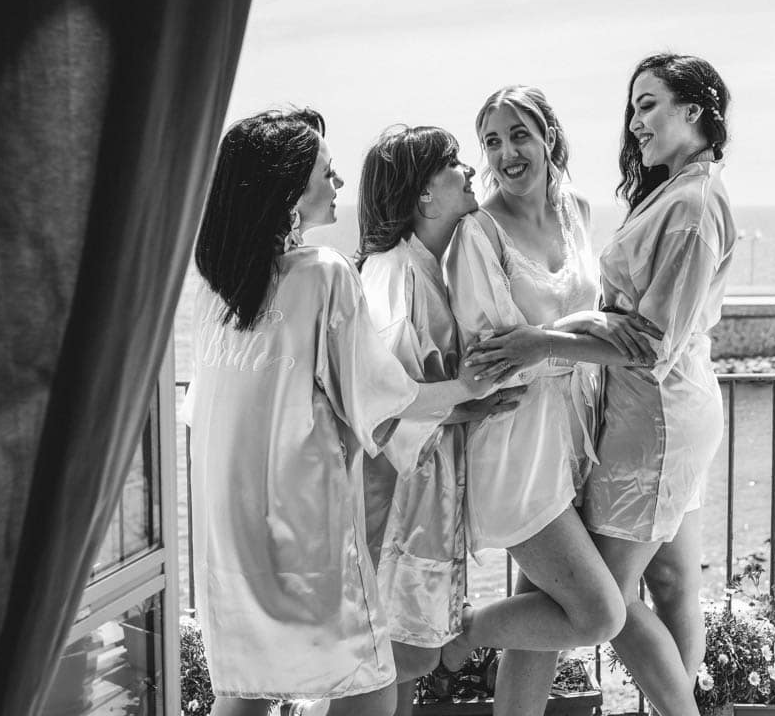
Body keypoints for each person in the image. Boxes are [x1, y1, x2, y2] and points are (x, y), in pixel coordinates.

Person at [187, 108, 499, 716]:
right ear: (287, 190)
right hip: (307, 536)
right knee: (370, 691)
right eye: (326, 173)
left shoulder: (213, 292)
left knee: (244, 693)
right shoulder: (324, 275)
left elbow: (205, 413)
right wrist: (468, 387)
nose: (338, 186)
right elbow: (388, 403)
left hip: (227, 535)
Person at [467, 55, 736, 715]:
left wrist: (543, 339)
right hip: (640, 410)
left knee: (601, 604)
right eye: (633, 106)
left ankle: (455, 638)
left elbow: (650, 340)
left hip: (654, 416)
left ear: (693, 110)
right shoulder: (676, 191)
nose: (636, 120)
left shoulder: (691, 205)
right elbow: (632, 318)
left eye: (650, 104)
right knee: (667, 583)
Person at [441, 85, 657, 714]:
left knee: (538, 636)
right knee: (596, 614)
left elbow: (595, 319)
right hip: (515, 447)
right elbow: (491, 359)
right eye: (492, 141)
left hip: (576, 435)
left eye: (519, 135)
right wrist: (561, 340)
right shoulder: (477, 234)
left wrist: (544, 341)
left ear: (549, 137)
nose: (507, 152)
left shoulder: (578, 210)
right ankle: (464, 632)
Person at [356, 124, 526, 715]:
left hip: (418, 502)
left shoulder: (422, 267)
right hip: (394, 510)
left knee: (405, 666)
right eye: (453, 163)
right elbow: (381, 402)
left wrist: (465, 406)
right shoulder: (394, 277)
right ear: (423, 195)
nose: (472, 169)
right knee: (390, 668)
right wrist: (469, 394)